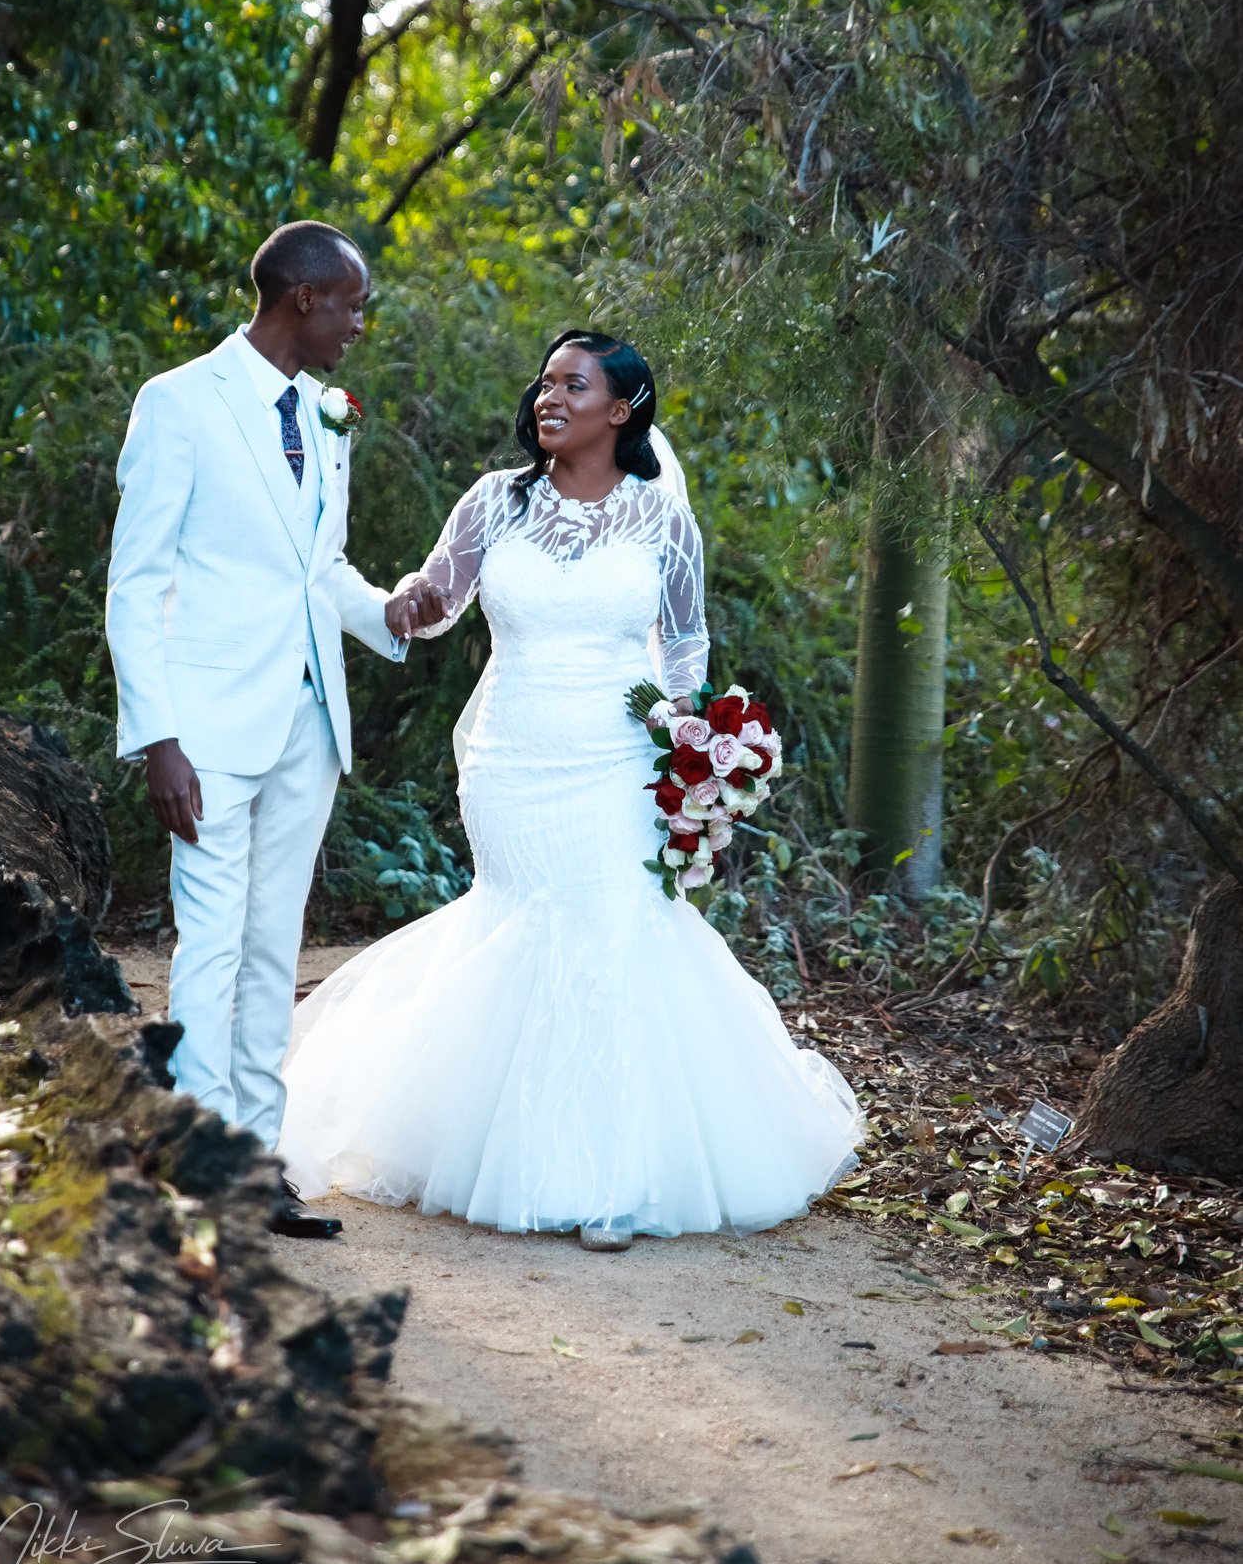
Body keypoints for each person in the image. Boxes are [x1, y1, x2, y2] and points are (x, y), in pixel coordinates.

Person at [279, 329, 864, 1248]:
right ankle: (509, 1150)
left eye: (573, 385)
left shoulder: (661, 518)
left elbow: (684, 642)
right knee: (524, 921)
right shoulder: (492, 503)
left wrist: (691, 731)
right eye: (544, 381)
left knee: (607, 931)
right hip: (510, 757)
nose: (549, 397)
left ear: (620, 410)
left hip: (615, 756)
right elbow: (434, 600)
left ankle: (608, 1184)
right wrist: (405, 603)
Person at [105, 221, 409, 1238]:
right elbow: (136, 582)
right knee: (211, 943)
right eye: (353, 304)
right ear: (304, 298)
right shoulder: (181, 403)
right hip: (206, 728)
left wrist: (389, 612)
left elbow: (317, 566)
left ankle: (258, 1163)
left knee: (273, 946)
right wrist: (158, 739)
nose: (360, 324)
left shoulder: (327, 417)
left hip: (306, 725)